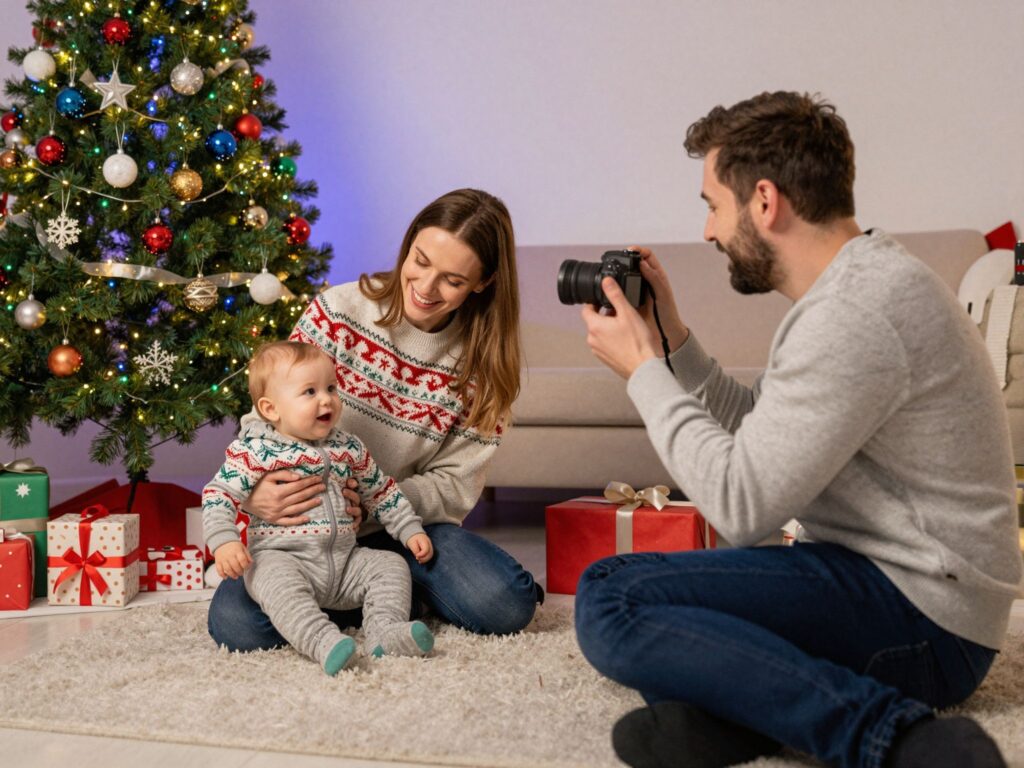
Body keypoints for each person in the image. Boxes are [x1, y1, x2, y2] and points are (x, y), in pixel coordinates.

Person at [573, 91, 1022, 768]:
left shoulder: (853, 313)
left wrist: (644, 374)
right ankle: (751, 717)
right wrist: (673, 340)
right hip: (903, 588)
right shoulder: (859, 287)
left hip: (927, 621)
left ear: (763, 200)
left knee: (613, 598)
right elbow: (766, 437)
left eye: (711, 206)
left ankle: (895, 739)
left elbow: (741, 506)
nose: (707, 232)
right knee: (678, 627)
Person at [207, 188, 543, 651]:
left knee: (505, 603)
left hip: (403, 527)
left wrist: (377, 503)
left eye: (452, 280)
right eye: (420, 261)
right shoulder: (339, 312)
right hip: (296, 538)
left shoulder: (485, 371)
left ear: (482, 283)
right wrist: (259, 493)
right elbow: (265, 415)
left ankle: (375, 594)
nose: (425, 288)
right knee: (236, 627)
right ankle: (376, 601)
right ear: (407, 247)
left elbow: (455, 487)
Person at [204, 341, 436, 675]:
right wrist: (224, 540)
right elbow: (218, 493)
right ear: (271, 409)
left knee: (391, 565)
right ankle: (322, 641)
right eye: (309, 392)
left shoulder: (348, 447)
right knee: (277, 587)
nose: (326, 399)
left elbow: (381, 491)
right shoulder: (255, 451)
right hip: (283, 558)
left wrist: (410, 528)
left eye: (330, 388)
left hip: (344, 563)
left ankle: (384, 632)